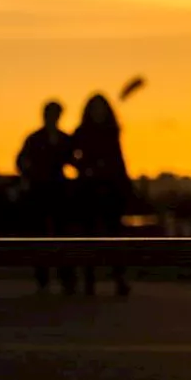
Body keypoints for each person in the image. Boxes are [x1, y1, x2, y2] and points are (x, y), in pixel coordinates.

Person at [71, 93, 133, 296]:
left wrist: (124, 185)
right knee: (89, 236)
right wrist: (85, 168)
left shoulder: (111, 131)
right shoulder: (81, 132)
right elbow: (69, 154)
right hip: (88, 191)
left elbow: (118, 158)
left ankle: (119, 278)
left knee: (115, 237)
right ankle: (89, 280)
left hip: (111, 189)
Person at [16, 100, 77, 293]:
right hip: (39, 192)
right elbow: (21, 161)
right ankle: (43, 278)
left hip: (58, 193)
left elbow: (74, 161)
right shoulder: (35, 139)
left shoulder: (63, 139)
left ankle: (65, 278)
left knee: (62, 237)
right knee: (40, 237)